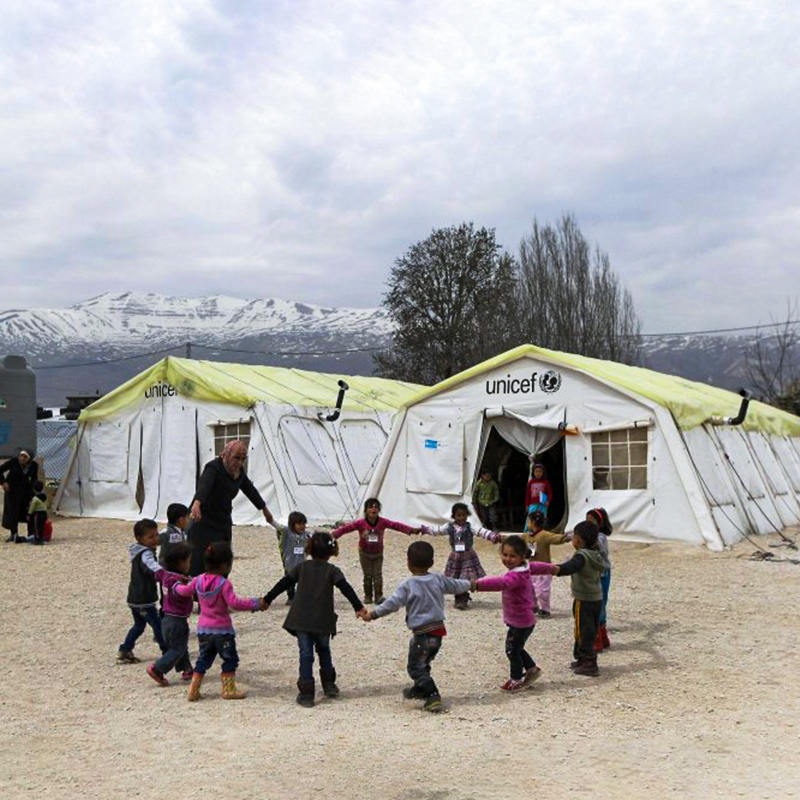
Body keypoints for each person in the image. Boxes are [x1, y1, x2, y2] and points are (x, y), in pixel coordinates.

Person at [263, 532, 368, 707]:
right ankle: (329, 684)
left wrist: (267, 599)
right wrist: (358, 607)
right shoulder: (332, 571)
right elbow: (346, 588)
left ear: (310, 548)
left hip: (302, 620)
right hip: (322, 620)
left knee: (306, 655)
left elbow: (284, 583)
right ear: (331, 551)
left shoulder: (302, 567)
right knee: (324, 650)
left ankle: (306, 693)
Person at [364, 540, 470, 713]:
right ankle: (419, 689)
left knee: (415, 667)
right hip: (438, 633)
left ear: (408, 562)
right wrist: (472, 584)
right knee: (424, 662)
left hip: (422, 634)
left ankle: (432, 695)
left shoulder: (408, 585)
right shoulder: (438, 579)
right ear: (432, 562)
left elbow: (392, 604)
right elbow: (456, 585)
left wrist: (374, 614)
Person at [175, 541, 265, 701]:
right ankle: (228, 690)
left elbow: (184, 591)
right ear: (225, 565)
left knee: (203, 659)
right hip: (222, 631)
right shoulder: (224, 584)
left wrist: (175, 585)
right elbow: (234, 603)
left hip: (203, 630)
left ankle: (193, 689)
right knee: (230, 659)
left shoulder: (198, 580)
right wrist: (255, 603)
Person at [472, 535, 554, 691]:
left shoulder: (515, 576)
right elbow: (537, 566)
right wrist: (552, 568)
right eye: (505, 555)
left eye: (512, 556)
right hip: (523, 619)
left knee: (512, 650)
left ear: (522, 556)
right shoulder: (525, 567)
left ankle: (516, 679)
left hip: (521, 621)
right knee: (517, 647)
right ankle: (531, 669)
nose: (507, 559)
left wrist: (477, 585)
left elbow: (501, 583)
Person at [187, 440, 275, 576]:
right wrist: (197, 503)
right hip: (203, 518)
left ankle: (220, 585)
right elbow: (204, 486)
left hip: (222, 518)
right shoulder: (213, 468)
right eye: (236, 458)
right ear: (225, 455)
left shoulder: (239, 472)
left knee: (223, 556)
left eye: (243, 459)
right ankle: (197, 586)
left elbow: (250, 490)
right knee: (200, 556)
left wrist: (264, 509)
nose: (240, 462)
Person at [535, 520, 605, 677]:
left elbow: (571, 567)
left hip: (584, 600)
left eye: (574, 537)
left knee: (583, 631)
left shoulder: (582, 556)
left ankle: (589, 662)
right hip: (596, 598)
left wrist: (555, 569)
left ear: (579, 540)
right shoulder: (596, 554)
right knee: (589, 629)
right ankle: (582, 659)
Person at [332, 498, 419, 605]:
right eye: (370, 507)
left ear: (379, 510)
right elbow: (347, 528)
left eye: (376, 507)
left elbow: (396, 525)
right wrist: (335, 534)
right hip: (364, 553)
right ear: (365, 510)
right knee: (367, 575)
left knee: (378, 575)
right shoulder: (360, 523)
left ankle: (378, 596)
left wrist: (410, 530)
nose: (373, 509)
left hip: (378, 553)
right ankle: (368, 596)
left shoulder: (383, 522)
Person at [421, 502, 500, 609]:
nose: (461, 517)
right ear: (453, 516)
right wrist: (425, 530)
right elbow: (438, 530)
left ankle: (462, 597)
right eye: (459, 515)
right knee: (456, 578)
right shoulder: (449, 527)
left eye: (464, 515)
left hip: (468, 556)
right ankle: (459, 597)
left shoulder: (470, 527)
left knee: (465, 578)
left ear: (467, 515)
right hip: (455, 557)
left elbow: (481, 531)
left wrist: (492, 536)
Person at [117, 519, 167, 664]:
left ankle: (125, 650)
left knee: (139, 626)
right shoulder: (146, 554)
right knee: (158, 626)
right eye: (150, 537)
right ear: (139, 538)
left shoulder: (137, 551)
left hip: (134, 598)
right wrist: (164, 574)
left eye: (156, 535)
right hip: (144, 599)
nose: (155, 539)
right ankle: (168, 652)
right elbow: (151, 566)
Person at [147, 542, 194, 686]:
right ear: (181, 563)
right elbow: (180, 590)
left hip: (166, 618)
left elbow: (157, 574)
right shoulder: (175, 581)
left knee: (181, 645)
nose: (190, 564)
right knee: (177, 649)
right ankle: (157, 669)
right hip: (177, 621)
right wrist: (194, 585)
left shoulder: (166, 575)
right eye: (188, 561)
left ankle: (186, 669)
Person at [525, 510, 569, 617]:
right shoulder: (527, 536)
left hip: (544, 568)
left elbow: (555, 538)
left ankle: (545, 609)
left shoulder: (544, 535)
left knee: (543, 591)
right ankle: (533, 606)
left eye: (528, 521)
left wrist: (566, 537)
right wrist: (500, 538)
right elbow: (515, 539)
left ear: (533, 522)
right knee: (531, 588)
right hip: (532, 568)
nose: (527, 523)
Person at [587, 507, 613, 651]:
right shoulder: (592, 536)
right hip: (595, 574)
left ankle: (598, 639)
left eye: (591, 521)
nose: (588, 524)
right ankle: (602, 637)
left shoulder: (600, 537)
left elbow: (600, 549)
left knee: (599, 604)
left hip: (602, 575)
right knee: (598, 603)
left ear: (599, 523)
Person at [1, 449, 39, 543]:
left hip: (26, 492)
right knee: (12, 512)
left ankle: (31, 534)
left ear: (29, 458)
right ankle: (14, 534)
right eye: (21, 455)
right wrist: (3, 482)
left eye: (25, 457)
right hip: (12, 491)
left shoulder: (33, 465)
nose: (22, 458)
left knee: (29, 511)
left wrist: (35, 489)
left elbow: (34, 478)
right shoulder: (13, 462)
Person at [275, 511, 311, 604]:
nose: (302, 526)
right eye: (299, 524)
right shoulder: (286, 533)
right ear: (292, 524)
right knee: (290, 583)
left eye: (304, 524)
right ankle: (291, 597)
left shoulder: (306, 535)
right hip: (289, 565)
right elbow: (276, 526)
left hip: (302, 564)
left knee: (304, 581)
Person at [158, 502, 190, 567]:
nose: (188, 521)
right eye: (187, 518)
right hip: (168, 568)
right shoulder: (167, 533)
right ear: (181, 520)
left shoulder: (181, 532)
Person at [26, 481, 48, 545]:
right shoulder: (45, 497)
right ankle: (41, 539)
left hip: (38, 514)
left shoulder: (35, 498)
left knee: (37, 527)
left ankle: (37, 540)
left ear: (34, 489)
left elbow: (32, 507)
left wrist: (29, 514)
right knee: (42, 527)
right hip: (44, 513)